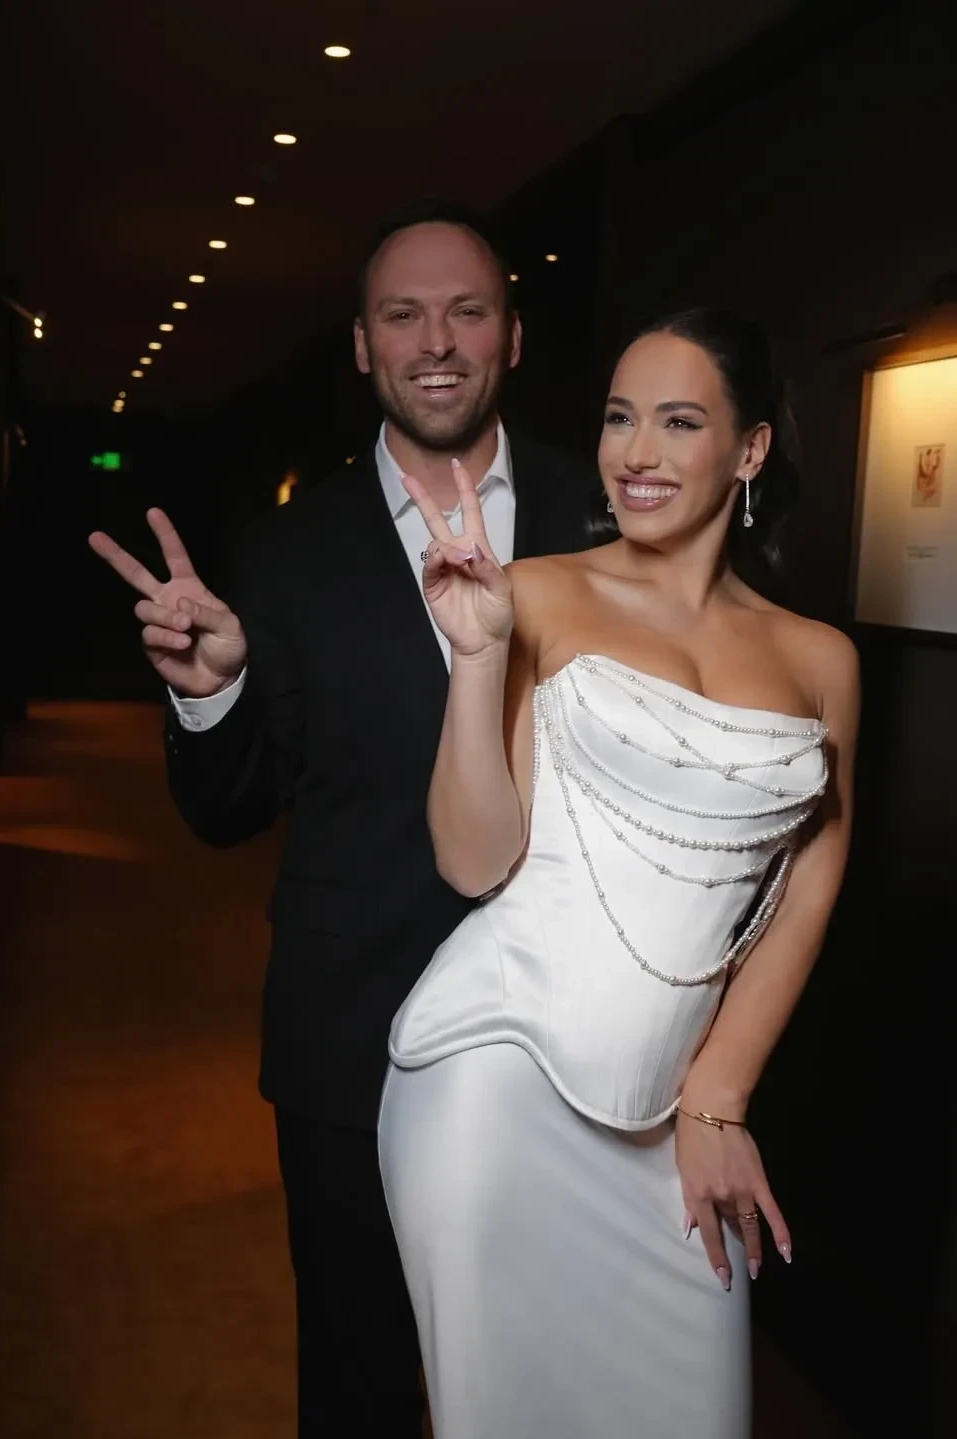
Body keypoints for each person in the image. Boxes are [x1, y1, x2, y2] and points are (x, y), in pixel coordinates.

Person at [87, 200, 596, 1437]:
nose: (438, 341)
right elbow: (228, 808)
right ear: (363, 345)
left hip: (574, 1039)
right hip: (352, 1040)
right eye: (402, 315)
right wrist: (209, 694)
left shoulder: (605, 517)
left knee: (554, 1379)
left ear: (513, 335)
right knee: (361, 1377)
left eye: (467, 310)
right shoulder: (288, 548)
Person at [378, 306, 860, 1438]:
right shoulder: (539, 593)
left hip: (672, 1109)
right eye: (618, 418)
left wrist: (720, 1096)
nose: (636, 452)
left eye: (679, 421)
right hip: (492, 1084)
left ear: (750, 449)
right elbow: (472, 860)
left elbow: (811, 886)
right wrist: (477, 657)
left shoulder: (821, 658)